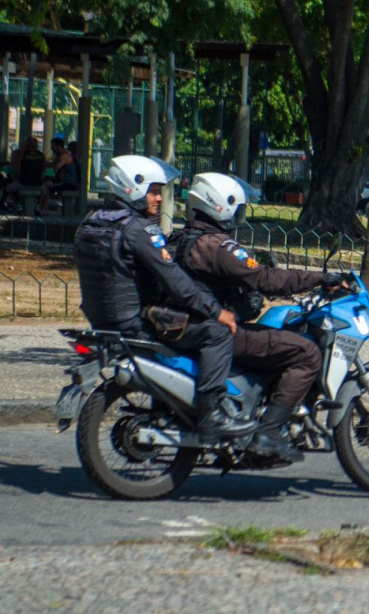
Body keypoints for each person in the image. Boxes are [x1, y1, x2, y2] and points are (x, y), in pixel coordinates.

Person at [72, 155, 254, 441]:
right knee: (217, 333)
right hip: (136, 321)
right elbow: (177, 283)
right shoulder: (138, 230)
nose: (158, 199)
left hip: (100, 319)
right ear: (133, 188)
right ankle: (212, 415)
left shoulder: (90, 222)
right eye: (154, 191)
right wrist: (217, 312)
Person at [170, 172, 348, 463]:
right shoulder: (218, 246)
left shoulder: (181, 238)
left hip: (188, 325)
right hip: (216, 329)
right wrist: (319, 278)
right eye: (238, 207)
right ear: (221, 206)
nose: (241, 214)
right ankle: (267, 434)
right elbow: (267, 279)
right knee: (306, 353)